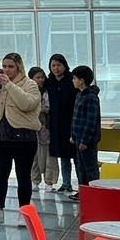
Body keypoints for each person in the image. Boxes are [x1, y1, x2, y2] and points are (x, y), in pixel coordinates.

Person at [0, 52, 41, 226]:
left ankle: (24, 211)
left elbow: (28, 103)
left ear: (19, 67)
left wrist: (10, 86)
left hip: (24, 138)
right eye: (4, 66)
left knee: (23, 175)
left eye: (11, 67)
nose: (7, 70)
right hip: (2, 136)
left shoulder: (30, 84)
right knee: (1, 173)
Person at [44, 53, 77, 194]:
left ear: (64, 66)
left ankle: (83, 185)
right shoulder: (49, 82)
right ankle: (66, 183)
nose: (56, 68)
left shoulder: (71, 80)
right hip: (56, 125)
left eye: (58, 65)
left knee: (76, 156)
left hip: (71, 123)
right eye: (53, 65)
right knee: (63, 156)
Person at [69, 65, 102, 196]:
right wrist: (73, 135)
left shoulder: (91, 97)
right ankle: (83, 191)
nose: (73, 81)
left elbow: (90, 121)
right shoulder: (79, 95)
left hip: (87, 141)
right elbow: (75, 118)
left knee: (90, 168)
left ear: (81, 80)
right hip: (78, 139)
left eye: (75, 78)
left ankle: (95, 192)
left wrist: (84, 140)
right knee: (80, 168)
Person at [28, 67, 57, 192]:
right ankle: (35, 180)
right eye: (37, 77)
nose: (40, 80)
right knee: (33, 155)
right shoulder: (28, 91)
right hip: (31, 127)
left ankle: (49, 181)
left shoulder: (47, 91)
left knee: (49, 155)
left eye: (42, 77)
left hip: (46, 126)